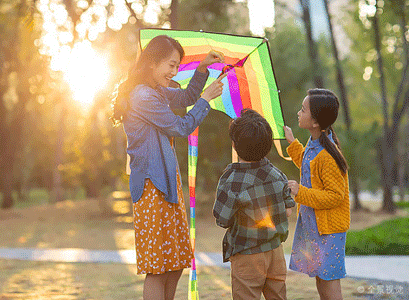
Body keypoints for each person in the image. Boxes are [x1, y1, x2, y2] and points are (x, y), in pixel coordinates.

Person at [112, 34, 226, 300]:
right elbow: (181, 126)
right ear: (152, 63)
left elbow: (186, 95)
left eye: (177, 66)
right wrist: (206, 100)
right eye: (170, 65)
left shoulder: (156, 91)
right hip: (152, 186)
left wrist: (201, 70)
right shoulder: (142, 96)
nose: (174, 72)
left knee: (175, 263)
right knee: (159, 267)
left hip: (167, 182)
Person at [213, 108, 295, 300]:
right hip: (275, 252)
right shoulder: (277, 174)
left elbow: (222, 219)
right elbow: (289, 211)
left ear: (234, 145)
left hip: (247, 254)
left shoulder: (232, 180)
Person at [283, 89, 350, 300]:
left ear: (315, 122)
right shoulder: (316, 144)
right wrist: (293, 143)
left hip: (329, 230)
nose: (298, 113)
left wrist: (300, 192)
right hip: (317, 226)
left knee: (329, 283)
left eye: (303, 110)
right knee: (321, 279)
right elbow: (307, 166)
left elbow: (334, 196)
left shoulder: (328, 155)